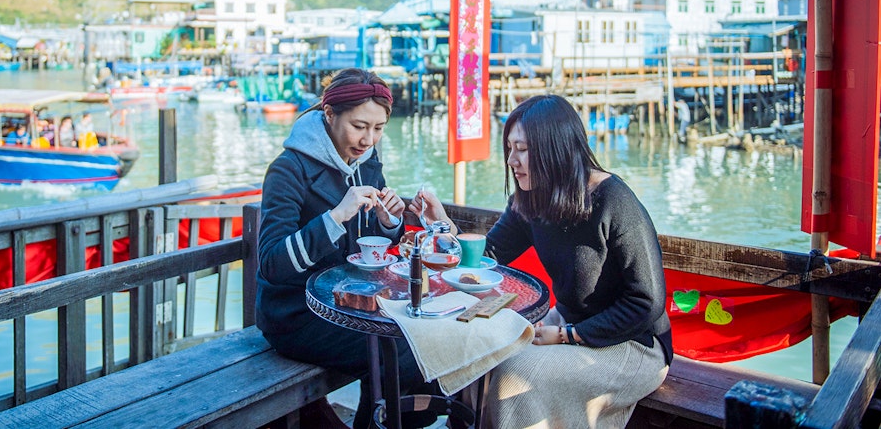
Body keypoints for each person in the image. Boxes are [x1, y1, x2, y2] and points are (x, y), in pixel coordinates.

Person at [413, 95, 672, 429]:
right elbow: (489, 256)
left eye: (522, 149)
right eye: (509, 148)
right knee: (480, 357)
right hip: (565, 323)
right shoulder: (533, 199)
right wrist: (443, 226)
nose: (511, 160)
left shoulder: (615, 201)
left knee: (516, 375)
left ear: (555, 148)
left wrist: (568, 335)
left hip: (633, 345)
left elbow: (646, 303)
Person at [255, 68, 449, 429]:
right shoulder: (287, 170)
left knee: (423, 339)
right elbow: (271, 263)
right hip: (297, 314)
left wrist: (390, 222)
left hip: (354, 303)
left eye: (378, 129)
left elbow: (370, 245)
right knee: (403, 354)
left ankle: (377, 420)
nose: (368, 139)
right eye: (359, 126)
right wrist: (336, 216)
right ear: (329, 115)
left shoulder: (368, 162)